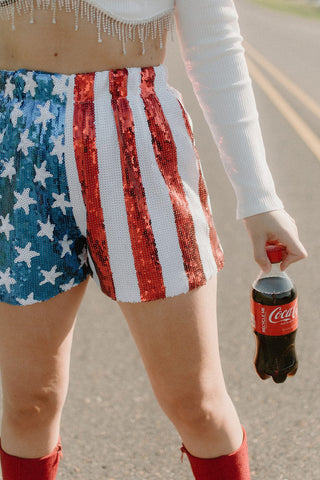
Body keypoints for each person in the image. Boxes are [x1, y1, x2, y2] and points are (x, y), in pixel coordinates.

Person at [0, 0, 307, 478]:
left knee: (197, 403)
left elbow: (215, 47)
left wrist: (260, 199)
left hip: (134, 133)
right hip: (14, 138)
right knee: (27, 403)